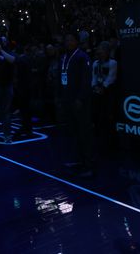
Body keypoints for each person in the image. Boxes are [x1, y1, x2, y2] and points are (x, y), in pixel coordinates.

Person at [58, 32, 94, 178]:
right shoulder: (64, 57)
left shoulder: (82, 57)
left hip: (80, 101)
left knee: (85, 133)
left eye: (71, 40)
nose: (68, 42)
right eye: (66, 40)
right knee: (75, 132)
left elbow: (86, 81)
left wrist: (80, 98)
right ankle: (80, 161)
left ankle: (90, 165)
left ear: (77, 42)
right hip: (68, 99)